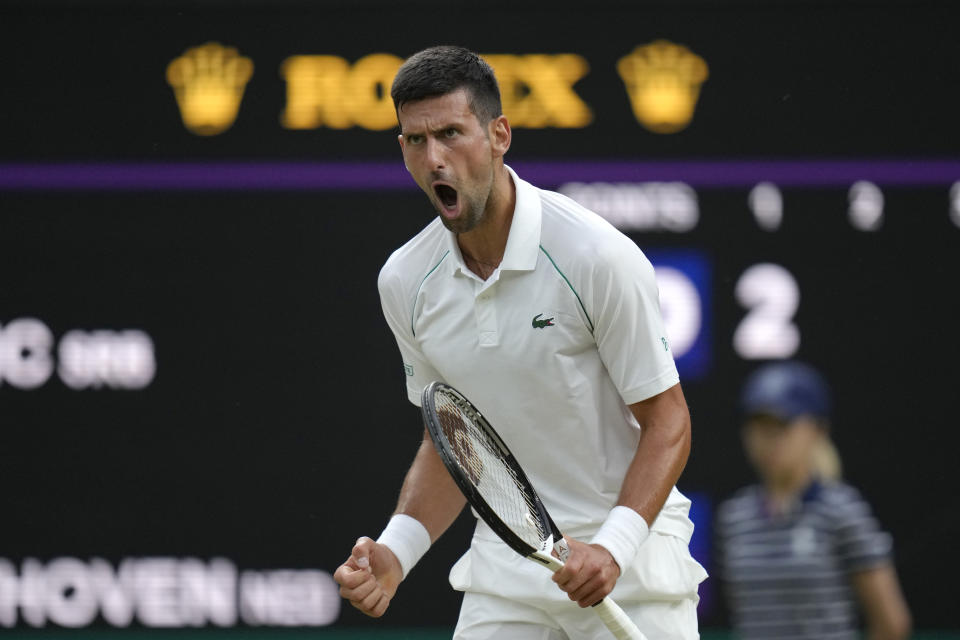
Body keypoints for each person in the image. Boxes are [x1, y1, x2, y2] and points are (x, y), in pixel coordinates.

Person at [333, 45, 706, 639]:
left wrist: (611, 548)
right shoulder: (405, 282)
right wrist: (395, 552)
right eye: (414, 140)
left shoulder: (596, 257)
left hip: (634, 573)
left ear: (499, 134)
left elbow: (669, 422)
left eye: (451, 133)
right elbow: (456, 438)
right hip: (507, 581)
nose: (434, 159)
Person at [715, 360, 911, 640]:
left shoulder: (843, 510)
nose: (767, 439)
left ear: (817, 430)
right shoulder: (734, 517)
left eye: (781, 425)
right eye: (757, 426)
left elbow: (892, 623)